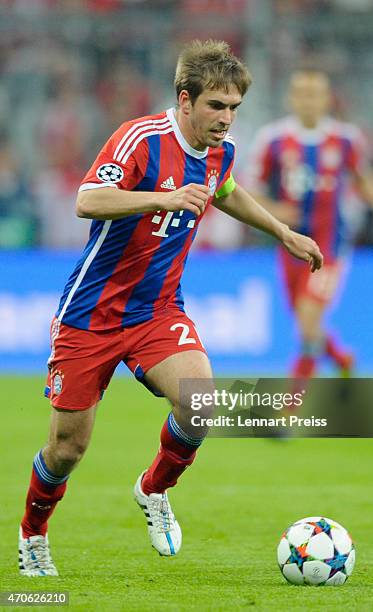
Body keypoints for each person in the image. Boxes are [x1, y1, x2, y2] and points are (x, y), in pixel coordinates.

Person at [18, 41, 323, 577]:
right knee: (68, 448)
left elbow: (225, 190)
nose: (225, 119)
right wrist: (161, 197)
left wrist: (282, 231)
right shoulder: (140, 139)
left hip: (156, 312)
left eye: (233, 108)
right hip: (90, 315)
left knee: (199, 402)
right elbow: (88, 199)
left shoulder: (220, 151)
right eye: (215, 107)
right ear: (185, 100)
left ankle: (154, 490)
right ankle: (33, 535)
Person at [243, 69, 373, 379]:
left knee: (308, 325)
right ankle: (341, 359)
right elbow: (249, 188)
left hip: (331, 247)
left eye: (315, 94)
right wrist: (275, 209)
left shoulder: (345, 139)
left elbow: (361, 177)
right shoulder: (273, 139)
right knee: (306, 323)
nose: (308, 101)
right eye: (302, 93)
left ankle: (290, 411)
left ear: (327, 99)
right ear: (291, 98)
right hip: (290, 246)